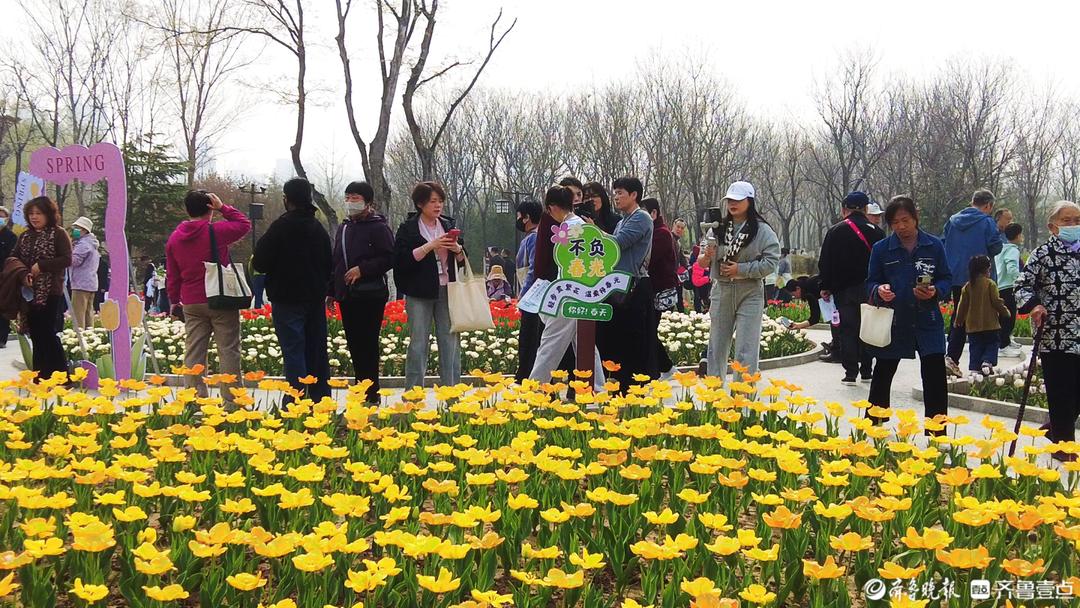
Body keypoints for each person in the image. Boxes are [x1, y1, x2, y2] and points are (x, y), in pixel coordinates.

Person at [865, 196, 951, 427]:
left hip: (927, 320)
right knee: (883, 373)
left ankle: (936, 432)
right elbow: (871, 282)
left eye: (905, 220)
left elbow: (946, 278)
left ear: (916, 217)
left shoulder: (934, 246)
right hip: (894, 320)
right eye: (895, 222)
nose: (901, 226)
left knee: (935, 376)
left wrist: (935, 291)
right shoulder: (882, 249)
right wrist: (879, 291)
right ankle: (873, 426)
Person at [166, 190, 250, 403]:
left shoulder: (175, 238)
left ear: (187, 210)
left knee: (194, 351)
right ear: (210, 208)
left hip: (192, 301)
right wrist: (223, 208)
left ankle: (194, 400)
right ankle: (232, 402)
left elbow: (172, 275)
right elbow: (244, 224)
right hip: (220, 298)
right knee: (228, 349)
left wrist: (174, 301)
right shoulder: (216, 231)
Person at [254, 177, 333, 402]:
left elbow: (260, 262)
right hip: (314, 298)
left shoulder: (280, 227)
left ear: (287, 199)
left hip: (286, 298)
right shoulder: (318, 228)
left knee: (293, 350)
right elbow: (329, 263)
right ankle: (320, 399)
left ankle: (295, 401)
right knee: (316, 349)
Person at [1014, 201, 1080, 460]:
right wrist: (1034, 305)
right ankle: (1064, 447)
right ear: (1053, 227)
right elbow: (1021, 285)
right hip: (1055, 334)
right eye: (1066, 220)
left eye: (1077, 220)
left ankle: (1055, 428)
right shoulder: (1042, 254)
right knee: (1061, 391)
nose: (1073, 225)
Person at [697, 181, 780, 380]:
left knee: (746, 347)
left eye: (738, 200)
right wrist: (707, 255)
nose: (732, 204)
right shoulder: (717, 228)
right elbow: (701, 262)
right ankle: (714, 392)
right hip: (722, 289)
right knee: (716, 345)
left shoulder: (761, 230)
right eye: (730, 200)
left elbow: (771, 261)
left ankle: (742, 394)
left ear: (749, 201)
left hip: (750, 291)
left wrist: (741, 269)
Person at [528, 186, 605, 389]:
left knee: (550, 343)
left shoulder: (569, 228)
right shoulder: (580, 225)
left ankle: (534, 388)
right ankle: (598, 388)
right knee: (585, 343)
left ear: (552, 207)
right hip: (581, 292)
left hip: (567, 293)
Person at [394, 181, 465, 389]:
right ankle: (413, 395)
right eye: (433, 201)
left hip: (447, 289)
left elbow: (462, 260)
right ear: (420, 204)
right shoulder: (408, 228)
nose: (438, 205)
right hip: (419, 292)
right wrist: (429, 246)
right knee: (418, 343)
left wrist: (457, 249)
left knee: (450, 341)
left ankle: (451, 394)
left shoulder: (448, 225)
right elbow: (401, 260)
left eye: (440, 201)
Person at [329, 181, 394, 404]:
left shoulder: (378, 227)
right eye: (347, 198)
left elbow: (389, 257)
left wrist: (363, 269)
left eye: (355, 198)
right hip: (348, 295)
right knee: (354, 344)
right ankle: (360, 390)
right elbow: (337, 260)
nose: (350, 202)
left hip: (370, 294)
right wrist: (331, 291)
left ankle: (371, 393)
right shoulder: (345, 227)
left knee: (368, 344)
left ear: (368, 202)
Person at [818, 191, 885, 384]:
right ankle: (867, 370)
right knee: (867, 328)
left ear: (844, 209)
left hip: (843, 290)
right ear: (865, 209)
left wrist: (825, 286)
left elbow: (826, 262)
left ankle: (850, 372)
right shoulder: (877, 232)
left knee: (848, 330)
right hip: (869, 289)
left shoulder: (835, 231)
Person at [599, 176, 656, 386]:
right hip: (619, 284)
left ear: (634, 195)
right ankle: (621, 383)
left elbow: (618, 243)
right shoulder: (623, 220)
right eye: (614, 193)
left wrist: (594, 231)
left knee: (633, 339)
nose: (616, 197)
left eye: (620, 193)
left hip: (634, 286)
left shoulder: (641, 218)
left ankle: (633, 385)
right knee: (620, 338)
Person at [942, 189, 1003, 376]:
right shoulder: (987, 222)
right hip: (980, 277)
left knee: (959, 314)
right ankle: (984, 361)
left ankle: (951, 357)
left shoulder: (952, 221)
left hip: (955, 275)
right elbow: (995, 246)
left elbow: (944, 243)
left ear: (972, 202)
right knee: (985, 317)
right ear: (988, 205)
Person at [11, 197, 72, 379]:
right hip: (29, 291)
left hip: (50, 291)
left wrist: (42, 266)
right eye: (31, 213)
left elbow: (67, 259)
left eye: (39, 213)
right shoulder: (25, 236)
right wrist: (23, 273)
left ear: (48, 214)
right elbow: (14, 258)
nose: (34, 217)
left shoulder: (58, 233)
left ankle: (60, 376)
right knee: (35, 334)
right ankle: (40, 375)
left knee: (47, 333)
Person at [953, 255, 1010, 376]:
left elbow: (962, 306)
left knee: (975, 346)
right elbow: (996, 302)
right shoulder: (990, 284)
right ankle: (987, 361)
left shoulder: (967, 286)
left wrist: (959, 320)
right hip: (990, 324)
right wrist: (1005, 312)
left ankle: (975, 368)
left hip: (972, 325)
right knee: (992, 343)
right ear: (986, 270)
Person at [643, 198, 678, 377]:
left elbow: (647, 259)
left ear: (654, 213)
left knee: (648, 331)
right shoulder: (654, 231)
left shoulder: (661, 233)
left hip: (660, 291)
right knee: (647, 331)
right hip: (653, 289)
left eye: (643, 213)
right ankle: (665, 368)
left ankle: (665, 368)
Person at [513, 199, 542, 381]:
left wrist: (524, 295)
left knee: (529, 338)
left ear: (527, 217)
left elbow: (533, 268)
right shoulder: (533, 237)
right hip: (532, 295)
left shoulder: (534, 238)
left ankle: (526, 376)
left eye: (519, 216)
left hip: (532, 296)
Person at [995, 223, 1023, 357]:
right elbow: (1011, 267)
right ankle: (1003, 346)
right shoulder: (1013, 250)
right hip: (1008, 287)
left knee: (1003, 316)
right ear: (1018, 236)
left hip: (999, 285)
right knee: (1008, 316)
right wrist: (1021, 279)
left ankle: (1005, 341)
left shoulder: (1002, 248)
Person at [68, 216, 99, 329]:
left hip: (80, 283)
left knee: (78, 314)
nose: (74, 230)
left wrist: (68, 252)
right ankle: (89, 333)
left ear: (85, 230)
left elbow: (74, 261)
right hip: (90, 283)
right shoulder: (92, 243)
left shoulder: (83, 245)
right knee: (87, 313)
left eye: (77, 228)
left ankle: (79, 335)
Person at [0, 207, 17, 348]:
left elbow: (12, 257)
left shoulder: (11, 237)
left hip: (4, 277)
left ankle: (2, 338)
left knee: (3, 308)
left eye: (2, 217)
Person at [671, 218, 689, 313]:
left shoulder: (678, 242)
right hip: (669, 276)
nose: (679, 230)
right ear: (673, 226)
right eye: (678, 227)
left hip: (677, 276)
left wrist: (687, 268)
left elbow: (682, 259)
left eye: (682, 228)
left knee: (679, 298)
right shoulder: (669, 238)